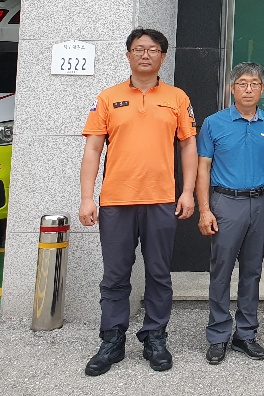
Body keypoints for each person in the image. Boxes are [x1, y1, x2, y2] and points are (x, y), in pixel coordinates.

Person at [79, 27, 197, 376]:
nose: (146, 55)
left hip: (160, 200)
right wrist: (87, 198)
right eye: (139, 49)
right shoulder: (107, 97)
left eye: (153, 49)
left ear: (163, 56)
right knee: (115, 275)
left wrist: (187, 191)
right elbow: (93, 149)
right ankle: (112, 340)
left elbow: (188, 145)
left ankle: (155, 337)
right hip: (116, 201)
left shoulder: (177, 97)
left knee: (159, 273)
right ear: (128, 54)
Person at [196, 62, 264, 364]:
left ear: (262, 89)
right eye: (242, 83)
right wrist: (204, 209)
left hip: (260, 202)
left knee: (252, 271)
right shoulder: (214, 123)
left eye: (254, 84)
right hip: (226, 203)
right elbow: (203, 168)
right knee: (221, 270)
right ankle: (218, 335)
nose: (248, 89)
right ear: (232, 88)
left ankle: (246, 334)